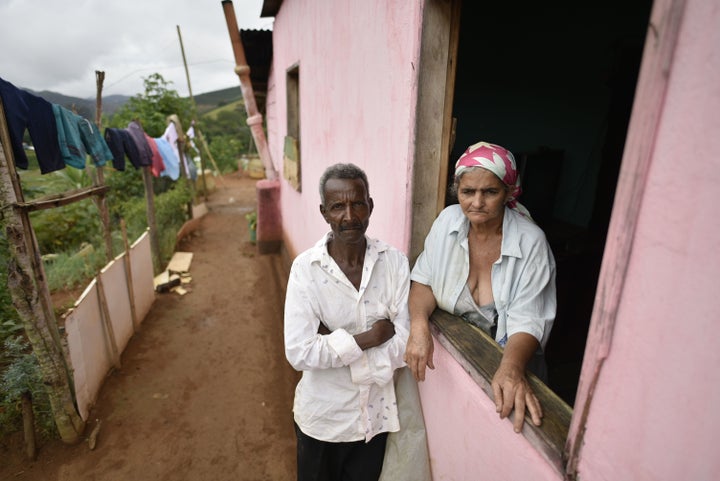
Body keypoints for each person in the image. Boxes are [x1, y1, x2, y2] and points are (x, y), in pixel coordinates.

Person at [404, 141, 556, 433]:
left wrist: (511, 369)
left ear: (509, 192)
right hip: (455, 370)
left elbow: (530, 318)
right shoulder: (448, 221)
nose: (476, 202)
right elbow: (424, 280)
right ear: (457, 192)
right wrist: (419, 326)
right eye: (467, 192)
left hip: (513, 362)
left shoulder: (531, 242)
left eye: (490, 192)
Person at [284, 163, 411, 481]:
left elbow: (404, 344)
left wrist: (334, 342)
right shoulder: (306, 269)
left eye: (357, 203)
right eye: (338, 206)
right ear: (324, 212)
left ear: (371, 205)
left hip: (373, 421)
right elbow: (299, 352)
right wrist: (370, 337)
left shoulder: (393, 262)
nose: (350, 216)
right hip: (321, 420)